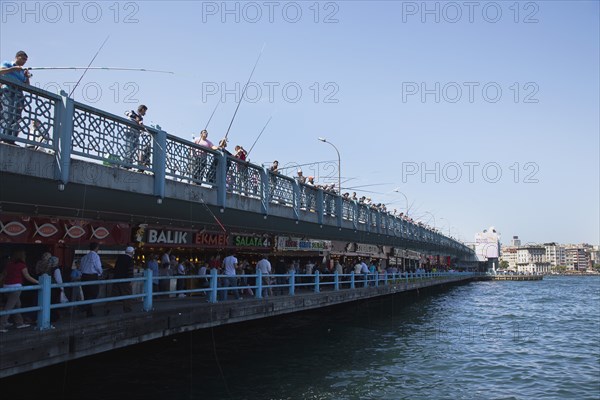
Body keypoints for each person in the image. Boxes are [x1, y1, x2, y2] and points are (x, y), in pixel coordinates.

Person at [0, 250, 37, 332]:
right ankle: (1, 325)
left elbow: (3, 275)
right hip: (16, 287)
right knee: (9, 306)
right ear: (22, 256)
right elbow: (27, 276)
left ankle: (19, 322)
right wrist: (38, 282)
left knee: (17, 304)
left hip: (6, 287)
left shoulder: (9, 264)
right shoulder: (22, 265)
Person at [0, 51, 30, 144]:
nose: (24, 61)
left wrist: (26, 77)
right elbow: (1, 71)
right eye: (23, 58)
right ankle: (3, 137)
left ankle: (11, 138)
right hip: (8, 91)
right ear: (17, 57)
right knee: (7, 114)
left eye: (26, 60)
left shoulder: (22, 71)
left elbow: (27, 86)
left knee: (16, 117)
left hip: (18, 94)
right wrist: (13, 69)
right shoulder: (8, 64)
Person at [106, 246, 135, 314]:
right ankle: (127, 310)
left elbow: (115, 268)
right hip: (125, 281)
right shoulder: (130, 260)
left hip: (116, 279)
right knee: (127, 295)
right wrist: (130, 280)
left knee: (113, 295)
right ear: (132, 252)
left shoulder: (120, 258)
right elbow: (130, 271)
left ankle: (107, 308)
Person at [79, 242, 103, 317]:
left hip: (84, 276)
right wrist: (100, 273)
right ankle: (84, 307)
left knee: (87, 295)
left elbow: (81, 268)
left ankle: (89, 313)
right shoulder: (95, 256)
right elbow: (98, 267)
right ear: (96, 248)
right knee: (94, 293)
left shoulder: (84, 257)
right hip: (92, 277)